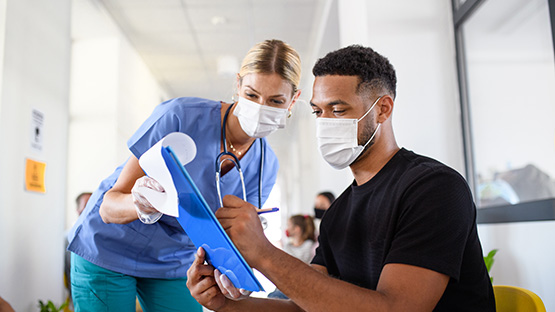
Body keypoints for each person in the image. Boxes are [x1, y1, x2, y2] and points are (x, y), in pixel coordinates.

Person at [186, 45, 496, 311]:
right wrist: (229, 305)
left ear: (383, 109)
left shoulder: (433, 189)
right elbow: (308, 304)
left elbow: (397, 308)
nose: (325, 122)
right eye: (318, 112)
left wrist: (263, 253)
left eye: (338, 109)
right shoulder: (338, 213)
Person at [67, 39, 302, 312]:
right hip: (108, 248)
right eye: (251, 95)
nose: (261, 107)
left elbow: (235, 237)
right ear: (238, 85)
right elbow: (109, 207)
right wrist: (141, 202)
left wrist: (236, 275)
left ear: (293, 100)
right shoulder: (180, 116)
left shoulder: (265, 166)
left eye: (275, 101)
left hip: (174, 262)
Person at [268, 214, 316, 299]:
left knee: (274, 297)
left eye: (289, 225)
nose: (287, 228)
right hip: (285, 284)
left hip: (300, 285)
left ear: (297, 229)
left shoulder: (310, 246)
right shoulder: (287, 246)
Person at [64, 192, 92, 310]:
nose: (90, 209)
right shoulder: (68, 237)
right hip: (78, 295)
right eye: (86, 205)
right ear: (78, 210)